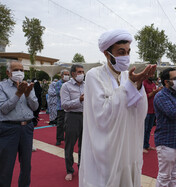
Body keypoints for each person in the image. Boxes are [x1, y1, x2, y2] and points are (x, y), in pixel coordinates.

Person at [79, 29, 157, 187]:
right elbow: (102, 115)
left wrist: (138, 84)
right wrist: (129, 86)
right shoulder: (95, 75)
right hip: (106, 147)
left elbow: (138, 111)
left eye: (128, 52)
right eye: (121, 52)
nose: (126, 57)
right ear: (107, 54)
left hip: (127, 143)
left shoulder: (127, 76)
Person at [0, 61, 38, 187]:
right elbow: (4, 109)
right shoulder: (1, 87)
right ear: (8, 72)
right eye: (16, 70)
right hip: (9, 128)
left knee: (26, 165)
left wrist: (27, 95)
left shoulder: (28, 86)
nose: (19, 73)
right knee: (6, 166)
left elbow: (35, 107)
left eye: (22, 70)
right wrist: (18, 94)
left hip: (27, 128)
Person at [61, 64, 85, 181]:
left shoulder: (87, 85)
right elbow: (64, 104)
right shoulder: (66, 86)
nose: (82, 74)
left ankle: (82, 168)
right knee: (70, 145)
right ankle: (69, 170)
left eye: (82, 72)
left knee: (84, 145)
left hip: (86, 117)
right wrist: (79, 100)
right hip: (72, 117)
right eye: (79, 72)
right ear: (73, 73)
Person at [143, 77, 162, 153]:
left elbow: (154, 96)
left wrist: (157, 92)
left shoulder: (153, 84)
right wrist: (154, 92)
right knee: (144, 129)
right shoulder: (143, 83)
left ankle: (146, 145)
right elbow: (143, 97)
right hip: (146, 110)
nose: (153, 75)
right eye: (151, 73)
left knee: (149, 129)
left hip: (153, 110)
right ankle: (141, 146)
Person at [55, 69, 70, 146]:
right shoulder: (58, 83)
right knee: (60, 124)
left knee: (68, 125)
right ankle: (59, 139)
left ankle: (67, 138)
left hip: (69, 107)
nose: (67, 76)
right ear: (61, 75)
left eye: (68, 74)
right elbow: (59, 93)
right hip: (61, 107)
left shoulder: (70, 83)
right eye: (65, 74)